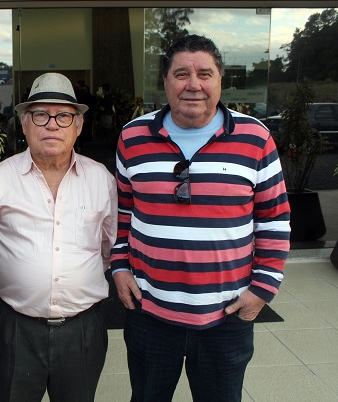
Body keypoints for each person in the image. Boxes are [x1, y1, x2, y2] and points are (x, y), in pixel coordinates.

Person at [112, 35, 291, 402]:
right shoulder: (132, 137)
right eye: (181, 74)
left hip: (226, 317)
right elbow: (122, 213)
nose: (193, 84)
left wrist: (262, 290)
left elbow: (274, 219)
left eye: (204, 73)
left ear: (220, 80)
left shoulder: (255, 137)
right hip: (150, 312)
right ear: (165, 82)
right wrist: (119, 266)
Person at [0, 72, 118, 402]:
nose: (52, 124)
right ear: (25, 124)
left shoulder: (101, 180)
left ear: (78, 126)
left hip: (83, 329)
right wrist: (20, 282)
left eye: (63, 115)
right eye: (41, 114)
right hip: (16, 329)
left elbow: (108, 244)